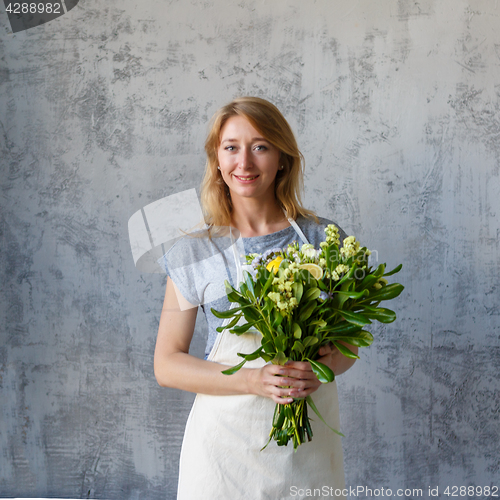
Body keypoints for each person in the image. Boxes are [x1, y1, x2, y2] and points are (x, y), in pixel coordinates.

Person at [154, 97, 358, 499]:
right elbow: (167, 363)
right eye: (231, 147)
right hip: (221, 452)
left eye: (260, 146)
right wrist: (253, 379)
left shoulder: (324, 239)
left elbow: (350, 344)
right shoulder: (193, 252)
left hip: (308, 446)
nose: (244, 163)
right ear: (217, 159)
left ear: (282, 158)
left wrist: (322, 366)